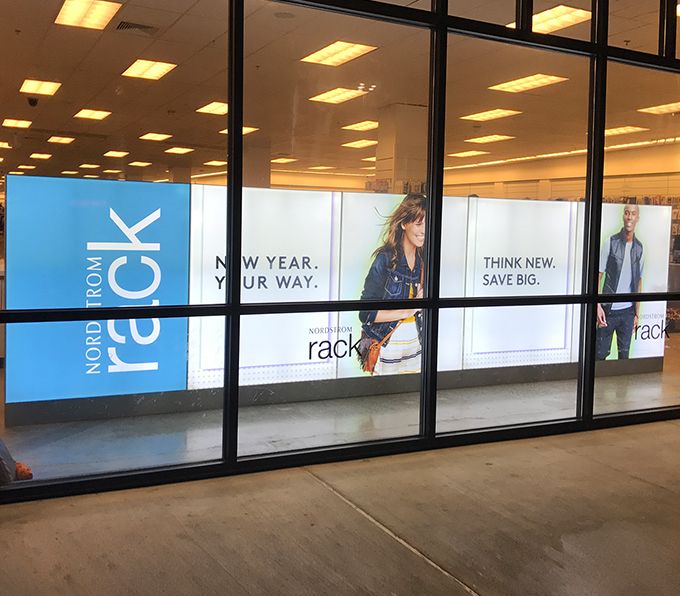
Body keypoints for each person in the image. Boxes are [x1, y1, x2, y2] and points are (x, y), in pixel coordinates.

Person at [359, 193, 425, 375]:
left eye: (427, 224)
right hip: (387, 346)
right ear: (404, 224)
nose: (424, 230)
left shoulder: (423, 260)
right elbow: (366, 313)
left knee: (414, 392)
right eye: (418, 224)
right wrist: (408, 310)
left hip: (416, 346)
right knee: (386, 394)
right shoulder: (386, 259)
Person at [596, 203, 644, 360]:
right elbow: (598, 275)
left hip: (628, 312)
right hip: (608, 311)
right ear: (623, 216)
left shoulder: (639, 248)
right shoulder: (610, 242)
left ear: (637, 218)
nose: (629, 217)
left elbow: (638, 282)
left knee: (624, 358)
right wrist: (598, 306)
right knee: (600, 356)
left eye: (633, 214)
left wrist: (636, 314)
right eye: (627, 213)